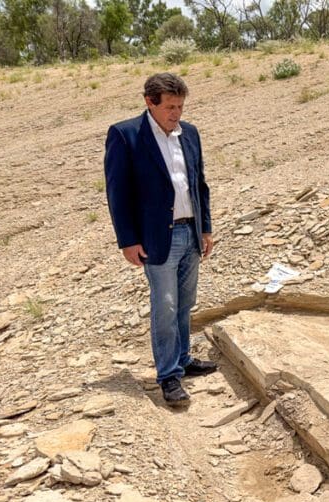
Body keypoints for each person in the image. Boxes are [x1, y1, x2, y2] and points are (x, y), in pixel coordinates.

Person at [104, 72, 217, 406]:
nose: (176, 113)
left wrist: (206, 228)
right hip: (156, 238)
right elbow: (118, 193)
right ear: (149, 102)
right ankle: (168, 376)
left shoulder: (190, 134)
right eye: (170, 106)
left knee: (185, 303)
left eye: (180, 106)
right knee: (164, 307)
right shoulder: (126, 136)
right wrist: (127, 239)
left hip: (191, 232)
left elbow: (200, 185)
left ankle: (182, 359)